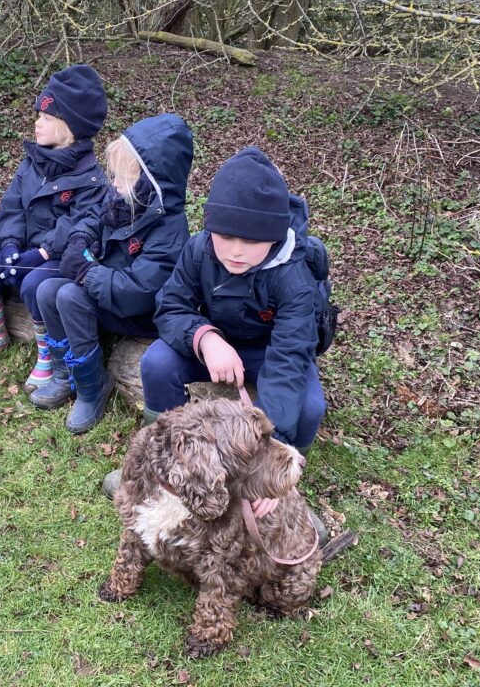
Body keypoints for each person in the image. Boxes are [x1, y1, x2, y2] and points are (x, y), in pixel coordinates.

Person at [103, 147, 327, 518]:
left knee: (310, 407)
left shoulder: (295, 277)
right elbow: (170, 306)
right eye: (225, 236)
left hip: (273, 350)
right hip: (218, 341)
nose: (236, 252)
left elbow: (289, 358)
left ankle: (280, 487)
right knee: (158, 363)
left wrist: (273, 453)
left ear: (273, 237)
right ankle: (161, 465)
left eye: (252, 241)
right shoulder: (199, 249)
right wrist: (205, 337)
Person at [31, 114, 193, 433]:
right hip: (109, 289)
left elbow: (138, 291)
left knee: (68, 294)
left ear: (151, 181)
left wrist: (86, 273)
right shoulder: (123, 196)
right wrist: (79, 242)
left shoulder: (169, 229)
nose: (114, 183)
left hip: (141, 312)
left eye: (123, 177)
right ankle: (66, 374)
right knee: (46, 291)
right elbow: (94, 218)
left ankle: (93, 388)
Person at [0, 64, 108, 392]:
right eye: (38, 116)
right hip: (24, 249)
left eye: (45, 118)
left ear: (68, 126)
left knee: (34, 284)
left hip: (57, 257)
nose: (36, 122)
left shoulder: (91, 178)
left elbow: (81, 223)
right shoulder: (31, 162)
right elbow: (12, 205)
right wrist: (12, 245)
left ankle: (47, 353)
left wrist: (42, 252)